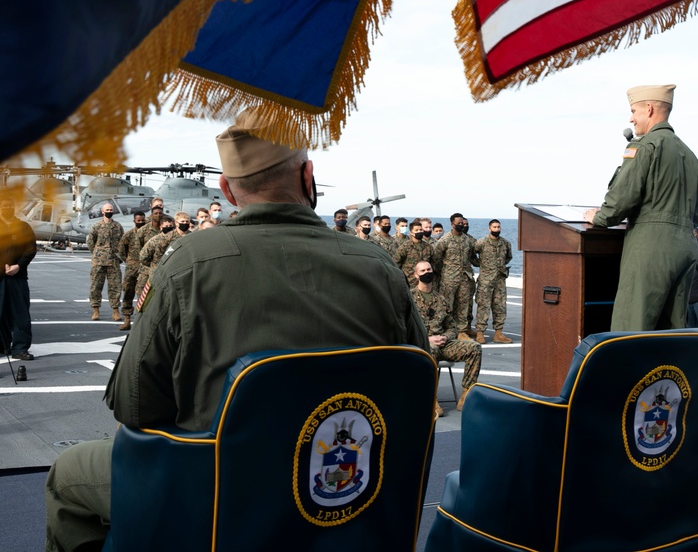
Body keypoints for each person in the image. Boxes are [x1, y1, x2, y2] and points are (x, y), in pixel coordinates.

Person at [44, 108, 428, 552]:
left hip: (218, 496)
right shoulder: (380, 266)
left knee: (69, 474)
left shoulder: (188, 263)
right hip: (351, 495)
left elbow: (134, 408)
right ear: (308, 177)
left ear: (226, 189)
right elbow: (416, 382)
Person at [584, 85, 698, 331]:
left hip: (651, 245)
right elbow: (697, 214)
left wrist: (599, 216)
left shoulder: (645, 146)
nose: (631, 118)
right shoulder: (691, 156)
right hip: (686, 247)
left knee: (632, 326)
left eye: (633, 111)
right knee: (672, 330)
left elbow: (620, 200)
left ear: (648, 109)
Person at [412, 260, 482, 415]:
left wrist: (445, 336)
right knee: (433, 349)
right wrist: (427, 339)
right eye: (422, 271)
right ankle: (430, 399)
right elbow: (405, 328)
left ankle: (466, 396)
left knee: (475, 348)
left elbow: (452, 327)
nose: (427, 272)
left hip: (443, 344)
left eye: (429, 269)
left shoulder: (441, 299)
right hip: (421, 345)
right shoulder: (409, 299)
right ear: (416, 275)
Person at [0, 196, 36, 361]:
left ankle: (20, 348)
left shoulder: (23, 227)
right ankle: (3, 345)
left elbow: (30, 249)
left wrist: (18, 266)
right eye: (4, 205)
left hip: (18, 277)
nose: (8, 207)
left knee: (20, 315)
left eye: (10, 204)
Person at [433, 213, 477, 340]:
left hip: (464, 277)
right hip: (449, 278)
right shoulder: (445, 240)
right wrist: (445, 273)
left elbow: (472, 257)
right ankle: (446, 329)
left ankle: (462, 330)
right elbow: (436, 260)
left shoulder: (467, 240)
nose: (461, 225)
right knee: (447, 305)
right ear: (452, 224)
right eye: (459, 223)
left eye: (463, 223)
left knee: (463, 304)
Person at [472, 219, 513, 344]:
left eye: (498, 227)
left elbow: (508, 257)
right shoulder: (482, 243)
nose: (497, 229)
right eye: (494, 227)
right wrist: (481, 264)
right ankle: (480, 333)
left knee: (500, 306)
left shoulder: (505, 243)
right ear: (489, 228)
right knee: (483, 306)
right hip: (486, 280)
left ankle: (498, 333)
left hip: (500, 280)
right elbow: (472, 255)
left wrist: (499, 266)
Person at [87, 201, 124, 321]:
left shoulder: (118, 227)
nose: (109, 212)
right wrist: (97, 253)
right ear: (102, 212)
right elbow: (90, 242)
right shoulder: (96, 226)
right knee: (96, 286)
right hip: (99, 261)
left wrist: (120, 256)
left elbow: (122, 243)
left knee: (115, 287)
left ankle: (115, 311)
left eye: (110, 210)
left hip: (113, 261)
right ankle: (96, 310)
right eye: (107, 210)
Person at [115, 211, 146, 331]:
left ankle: (140, 321)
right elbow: (121, 250)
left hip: (144, 268)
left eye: (142, 220)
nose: (141, 223)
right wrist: (129, 261)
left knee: (142, 294)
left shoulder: (150, 235)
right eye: (138, 221)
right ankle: (127, 319)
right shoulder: (128, 235)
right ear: (134, 221)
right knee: (128, 292)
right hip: (131, 269)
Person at [394, 218, 433, 288]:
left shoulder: (428, 247)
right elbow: (396, 263)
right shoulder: (405, 247)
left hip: (425, 282)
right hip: (410, 282)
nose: (419, 232)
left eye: (420, 230)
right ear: (411, 233)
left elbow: (434, 263)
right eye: (416, 230)